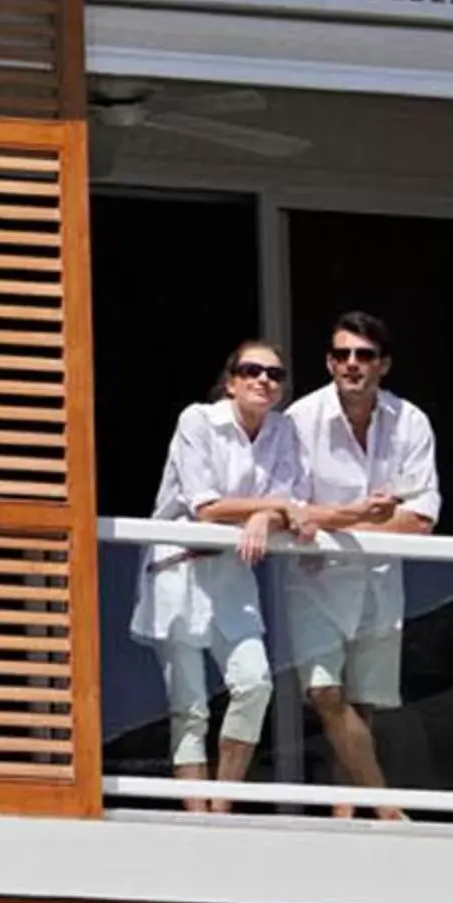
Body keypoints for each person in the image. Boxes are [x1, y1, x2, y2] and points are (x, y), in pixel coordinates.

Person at [136, 338, 309, 814]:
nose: (264, 381)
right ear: (230, 382)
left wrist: (265, 517)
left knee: (255, 684)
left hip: (234, 573)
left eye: (275, 375)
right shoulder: (198, 420)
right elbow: (206, 505)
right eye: (252, 371)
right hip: (179, 572)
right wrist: (271, 507)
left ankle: (222, 805)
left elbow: (290, 502)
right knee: (189, 710)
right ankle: (198, 819)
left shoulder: (283, 432)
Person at [283, 311, 442, 821]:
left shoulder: (411, 422)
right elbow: (291, 512)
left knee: (361, 709)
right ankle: (386, 807)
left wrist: (332, 527)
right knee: (325, 693)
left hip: (377, 583)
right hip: (314, 581)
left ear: (384, 364)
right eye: (342, 355)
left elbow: (418, 521)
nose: (352, 365)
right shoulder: (299, 422)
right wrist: (361, 518)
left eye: (364, 355)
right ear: (329, 363)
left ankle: (343, 818)